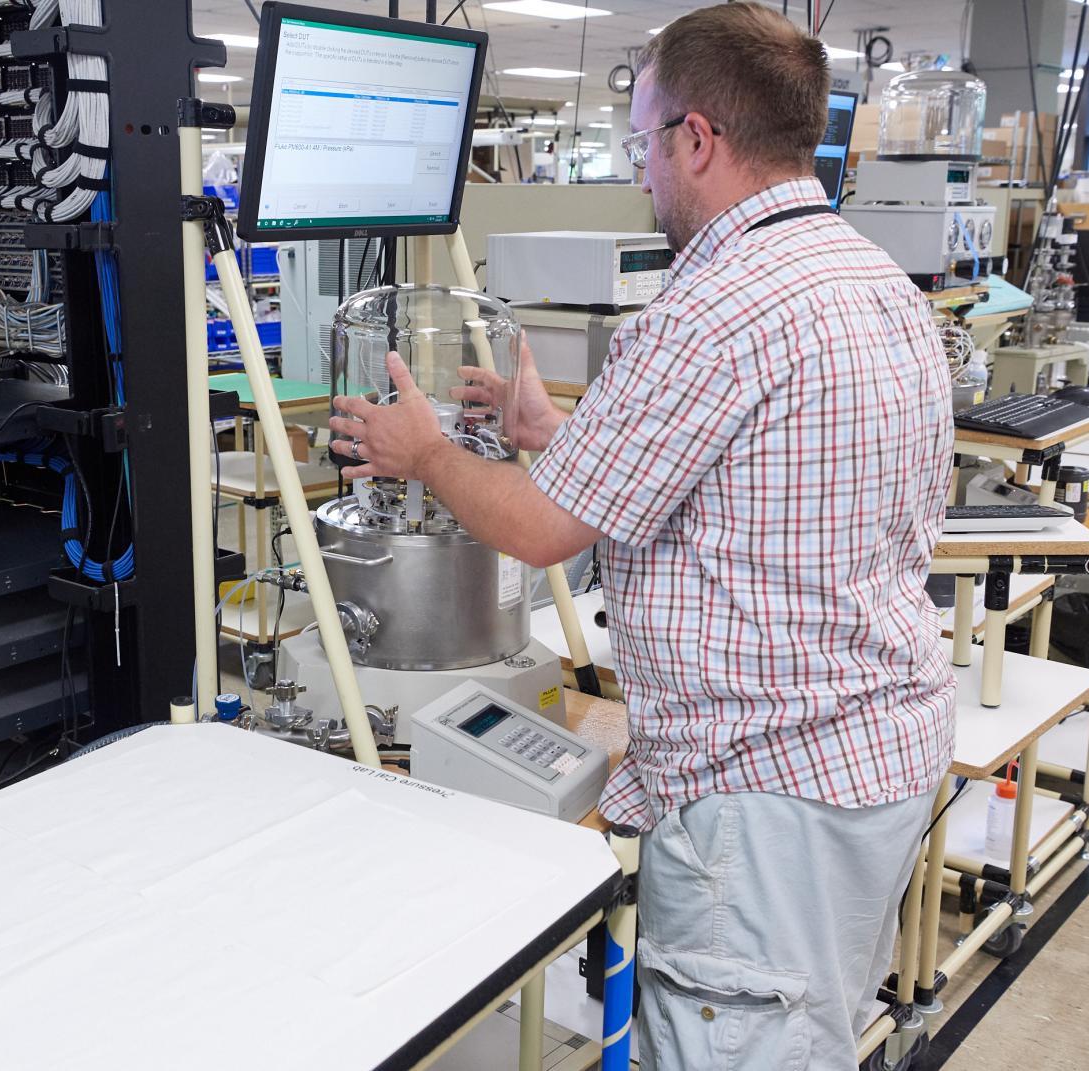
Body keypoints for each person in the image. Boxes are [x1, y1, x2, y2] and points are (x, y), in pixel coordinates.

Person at [329, 3, 956, 1067]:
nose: (647, 173)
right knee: (804, 1028)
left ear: (697, 139)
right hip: (875, 756)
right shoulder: (871, 280)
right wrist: (551, 433)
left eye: (645, 144)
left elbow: (534, 531)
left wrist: (425, 453)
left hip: (766, 797)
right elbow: (754, 477)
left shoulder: (710, 307)